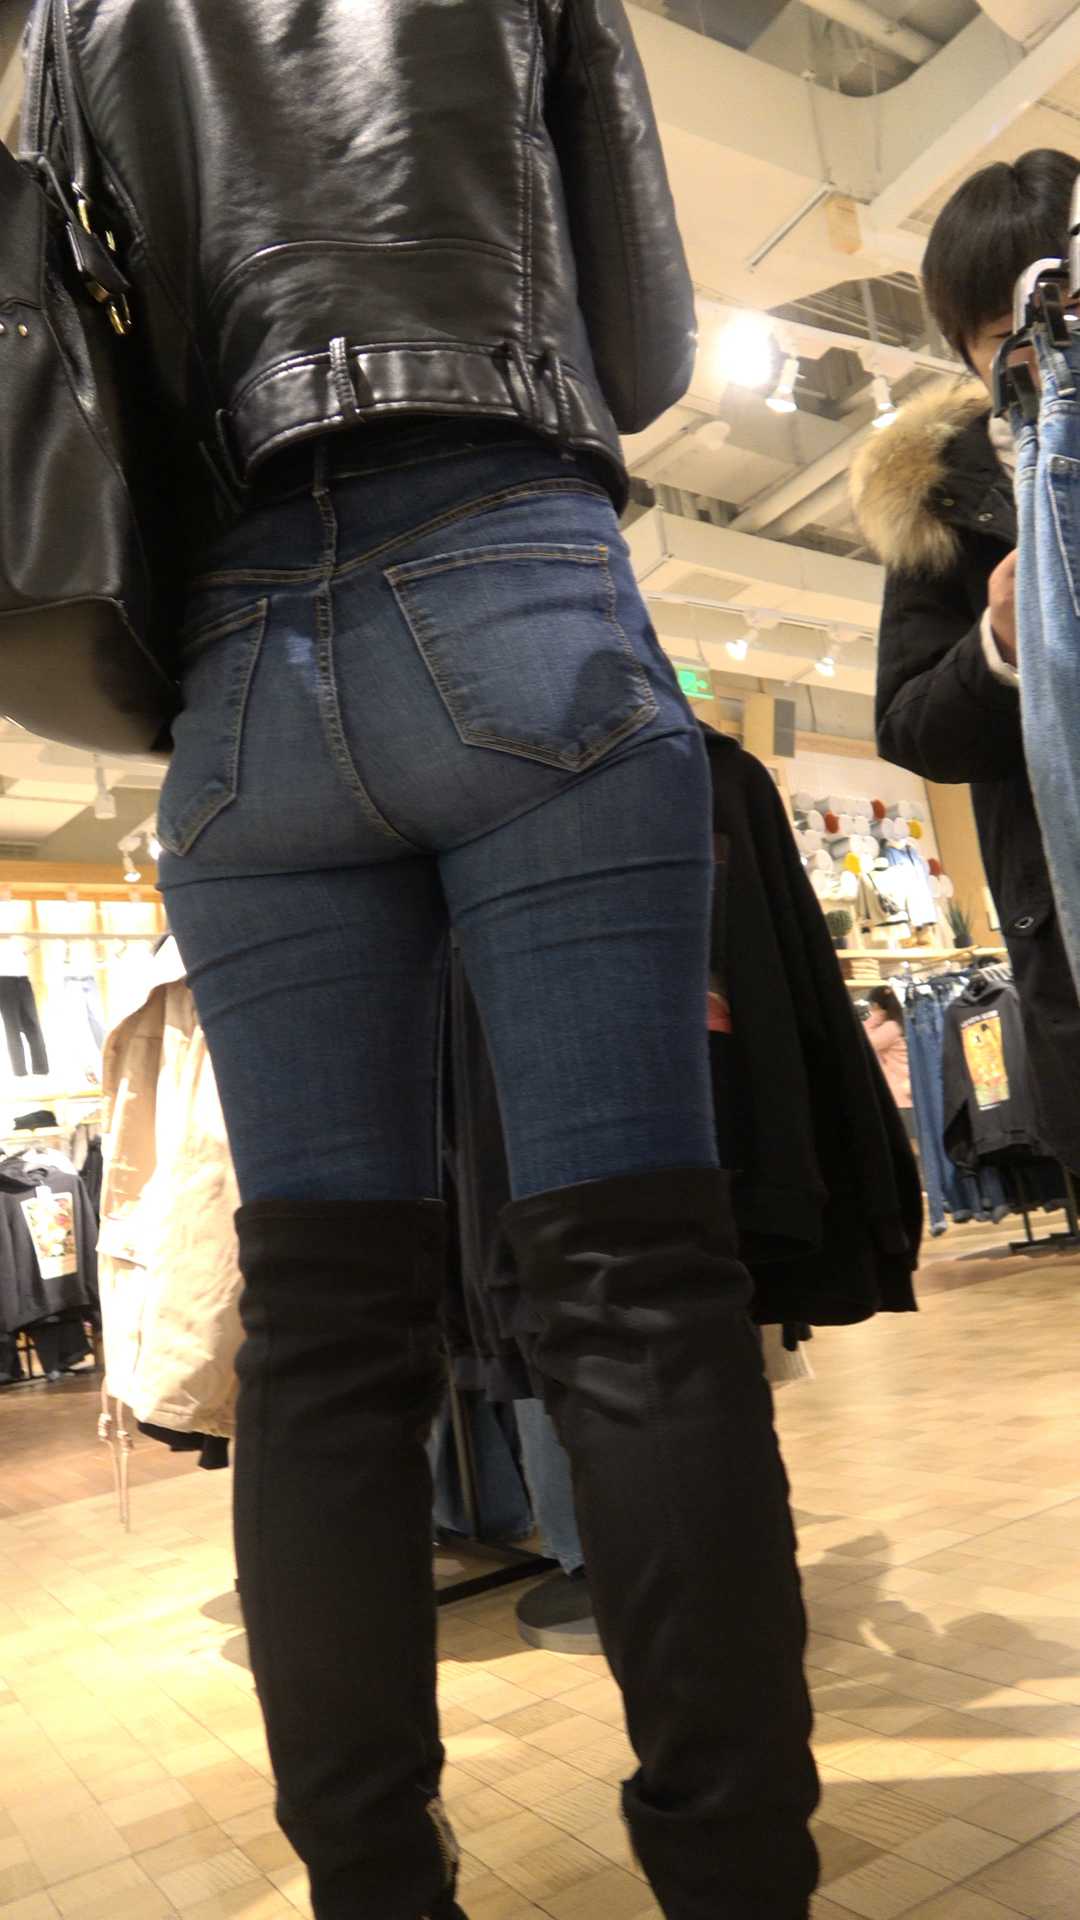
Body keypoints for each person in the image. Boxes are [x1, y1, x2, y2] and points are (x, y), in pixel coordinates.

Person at [37, 5, 819, 1918]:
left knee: (322, 1335)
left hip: (236, 667)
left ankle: (374, 1890)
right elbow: (640, 341)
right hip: (512, 573)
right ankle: (734, 1879)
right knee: (638, 1288)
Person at [852, 149, 1080, 1178]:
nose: (1048, 342)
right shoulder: (944, 495)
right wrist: (1000, 640)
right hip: (1064, 915)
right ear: (967, 347)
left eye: (1068, 305)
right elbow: (909, 726)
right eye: (1007, 330)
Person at [865, 985, 912, 1112]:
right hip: (904, 1087)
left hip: (900, 1093)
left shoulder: (890, 1027)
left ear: (875, 1005)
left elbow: (867, 1043)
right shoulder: (899, 1023)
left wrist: (875, 1017)